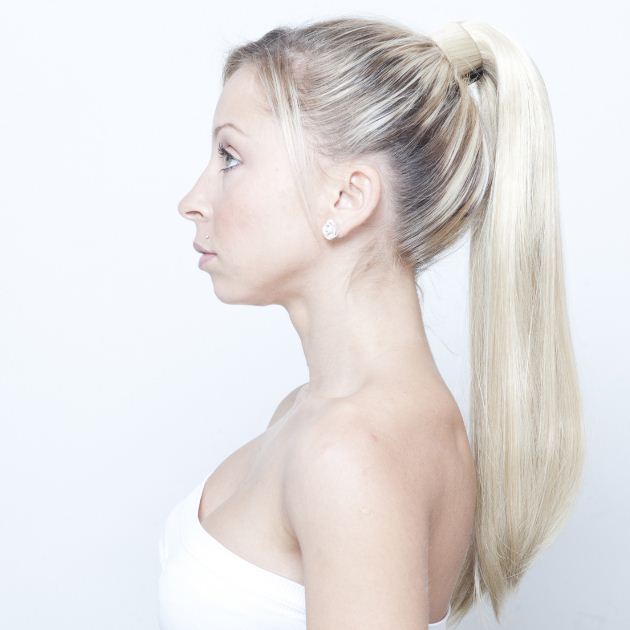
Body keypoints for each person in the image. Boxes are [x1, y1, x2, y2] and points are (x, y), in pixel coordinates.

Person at [160, 16, 585, 629]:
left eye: (230, 156)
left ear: (347, 197)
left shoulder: (349, 452)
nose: (192, 201)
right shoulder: (313, 415)